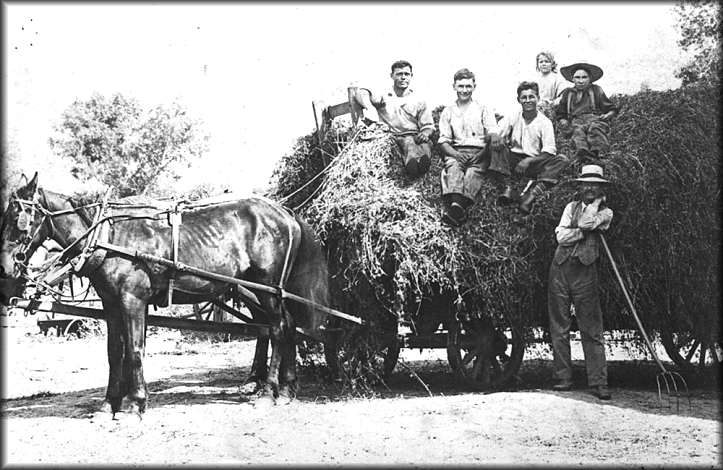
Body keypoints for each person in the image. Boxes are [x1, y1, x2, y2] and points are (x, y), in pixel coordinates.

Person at [547, 164, 613, 400]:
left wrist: (594, 209)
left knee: (591, 328)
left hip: (586, 272)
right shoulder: (570, 207)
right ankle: (563, 378)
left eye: (595, 185)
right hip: (560, 269)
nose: (590, 189)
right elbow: (560, 236)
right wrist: (580, 232)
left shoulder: (606, 213)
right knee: (559, 327)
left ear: (601, 189)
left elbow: (585, 224)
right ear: (580, 186)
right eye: (586, 184)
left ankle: (598, 382)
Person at [490, 81, 569, 214]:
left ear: (538, 98)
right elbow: (496, 131)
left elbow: (549, 151)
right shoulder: (513, 116)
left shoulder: (545, 122)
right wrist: (494, 136)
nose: (528, 101)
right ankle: (508, 187)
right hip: (513, 161)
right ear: (518, 100)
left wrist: (529, 161)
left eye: (531, 97)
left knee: (562, 160)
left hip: (534, 163)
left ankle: (531, 195)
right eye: (524, 97)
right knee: (496, 145)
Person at [437, 68, 501, 226]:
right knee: (452, 168)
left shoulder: (483, 108)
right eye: (461, 86)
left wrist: (482, 154)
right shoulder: (448, 111)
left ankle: (457, 208)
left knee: (474, 172)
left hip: (479, 151)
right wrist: (456, 155)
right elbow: (444, 141)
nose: (464, 90)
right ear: (454, 87)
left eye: (468, 86)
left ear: (474, 87)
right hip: (457, 151)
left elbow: (492, 132)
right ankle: (457, 207)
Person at [354, 60, 435, 178]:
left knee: (425, 145)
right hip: (396, 135)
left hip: (415, 134)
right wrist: (369, 107)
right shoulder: (385, 96)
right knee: (408, 143)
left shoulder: (419, 99)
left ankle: (424, 164)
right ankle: (411, 165)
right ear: (391, 76)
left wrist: (425, 133)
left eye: (406, 74)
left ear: (411, 76)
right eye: (399, 74)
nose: (403, 78)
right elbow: (360, 92)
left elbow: (428, 125)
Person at [555, 62, 617, 161]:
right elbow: (561, 112)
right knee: (577, 132)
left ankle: (599, 152)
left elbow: (610, 108)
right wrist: (563, 120)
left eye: (584, 77)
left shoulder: (596, 90)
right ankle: (583, 153)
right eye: (577, 77)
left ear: (590, 79)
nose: (581, 81)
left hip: (594, 119)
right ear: (572, 79)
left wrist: (608, 115)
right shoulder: (568, 93)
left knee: (595, 129)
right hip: (576, 121)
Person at [535, 51, 568, 117]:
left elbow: (562, 96)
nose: (543, 64)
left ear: (552, 64)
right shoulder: (535, 79)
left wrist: (550, 104)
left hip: (551, 108)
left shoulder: (557, 78)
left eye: (547, 61)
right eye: (541, 62)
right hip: (536, 107)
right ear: (537, 64)